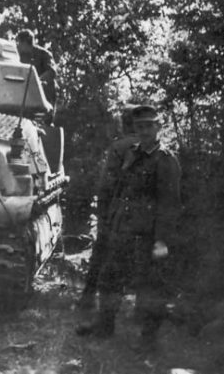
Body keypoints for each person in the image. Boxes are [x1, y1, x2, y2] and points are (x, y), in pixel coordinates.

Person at [76, 104, 182, 354]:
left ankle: (148, 340)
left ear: (159, 127)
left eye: (149, 126)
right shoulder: (132, 153)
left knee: (149, 287)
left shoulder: (166, 161)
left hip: (146, 235)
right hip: (123, 229)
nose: (144, 131)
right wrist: (111, 223)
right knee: (110, 278)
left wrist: (162, 240)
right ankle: (105, 326)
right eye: (139, 126)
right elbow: (121, 192)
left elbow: (170, 204)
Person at [78, 104, 138, 310]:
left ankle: (87, 300)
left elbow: (107, 185)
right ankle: (141, 311)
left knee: (101, 255)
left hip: (116, 212)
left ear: (125, 123)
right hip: (143, 214)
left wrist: (103, 214)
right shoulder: (152, 146)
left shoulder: (119, 147)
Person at [15, 29, 57, 104]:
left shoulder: (44, 54)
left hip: (45, 96)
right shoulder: (20, 57)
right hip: (28, 96)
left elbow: (52, 71)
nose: (17, 45)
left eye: (18, 42)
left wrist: (37, 81)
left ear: (24, 43)